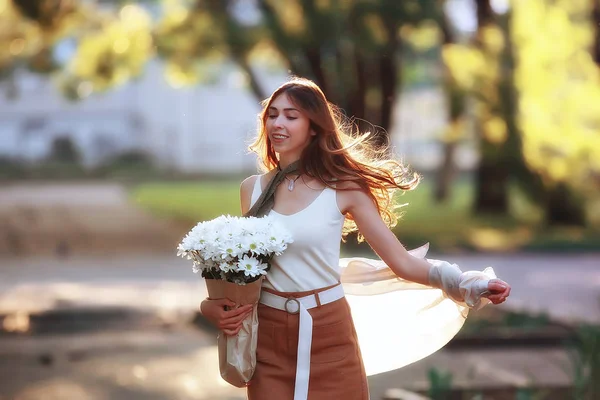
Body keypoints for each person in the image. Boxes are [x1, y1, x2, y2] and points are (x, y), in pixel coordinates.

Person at [200, 77, 511, 400]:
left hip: (328, 334)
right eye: (273, 114)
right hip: (268, 339)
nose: (278, 123)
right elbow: (245, 274)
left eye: (291, 116)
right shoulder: (252, 190)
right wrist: (211, 305)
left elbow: (402, 262)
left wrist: (465, 282)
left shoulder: (344, 188)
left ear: (315, 127)